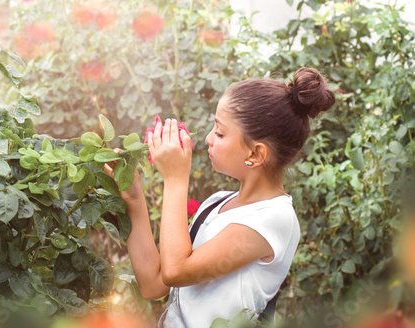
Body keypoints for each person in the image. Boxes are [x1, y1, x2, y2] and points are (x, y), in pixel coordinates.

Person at [104, 67, 335, 327]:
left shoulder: (274, 219)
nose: (208, 139)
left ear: (256, 154)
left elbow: (175, 270)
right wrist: (134, 200)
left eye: (220, 133)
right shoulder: (217, 202)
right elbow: (153, 284)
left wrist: (175, 178)